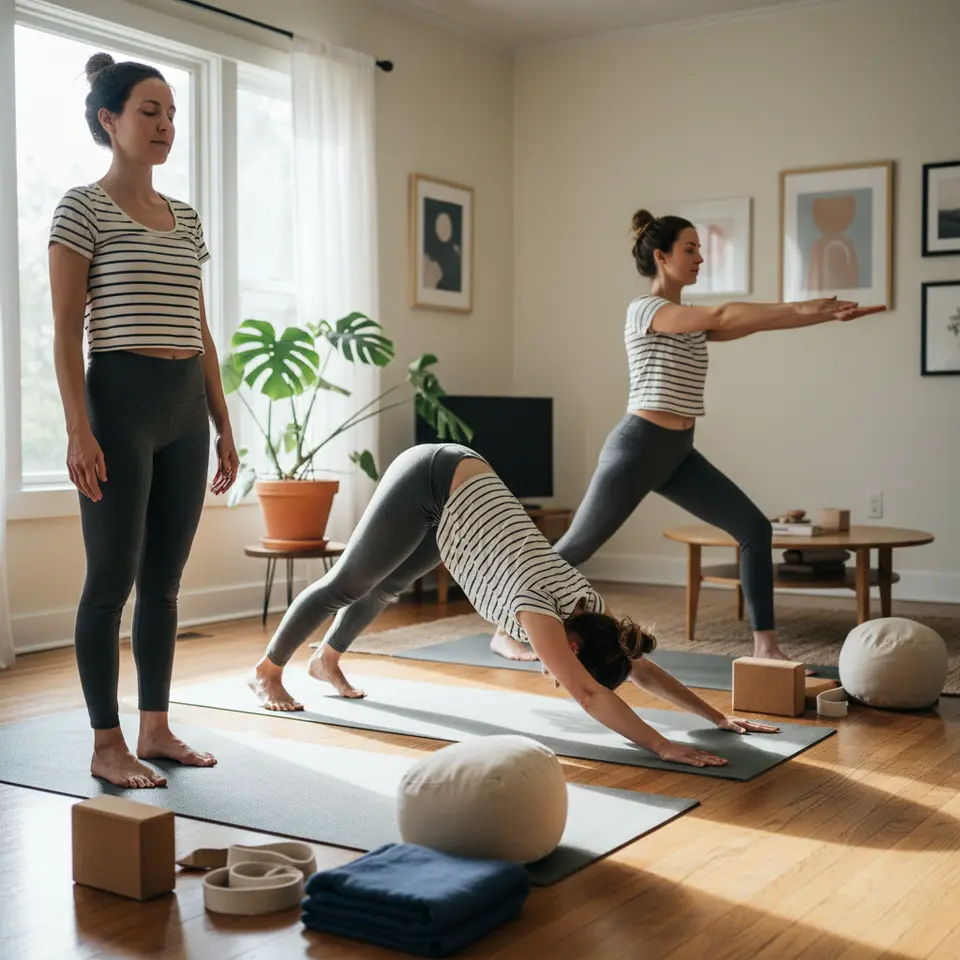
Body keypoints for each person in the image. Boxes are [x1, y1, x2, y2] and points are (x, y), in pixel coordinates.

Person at [489, 209, 886, 664]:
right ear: (661, 256)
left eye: (701, 249)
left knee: (753, 528)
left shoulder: (692, 324)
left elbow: (752, 321)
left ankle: (766, 648)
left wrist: (822, 315)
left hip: (678, 452)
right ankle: (504, 627)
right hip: (637, 448)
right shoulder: (646, 310)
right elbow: (720, 312)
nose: (700, 258)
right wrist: (805, 305)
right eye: (690, 249)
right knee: (577, 546)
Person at [249, 443, 779, 770]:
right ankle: (268, 670)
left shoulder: (592, 611)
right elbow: (589, 693)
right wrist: (662, 746)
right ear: (571, 646)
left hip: (466, 493)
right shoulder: (538, 610)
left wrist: (718, 716)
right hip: (432, 474)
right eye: (564, 665)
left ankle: (327, 660)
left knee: (387, 589)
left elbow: (638, 668)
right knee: (348, 584)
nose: (559, 674)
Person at [48, 54, 240, 789]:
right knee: (110, 582)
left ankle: (155, 729)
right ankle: (106, 742)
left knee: (164, 584)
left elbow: (201, 328)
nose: (164, 126)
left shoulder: (186, 219)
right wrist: (77, 428)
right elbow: (66, 332)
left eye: (170, 114)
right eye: (148, 112)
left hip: (185, 408)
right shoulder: (82, 208)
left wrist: (222, 422)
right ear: (110, 121)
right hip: (118, 407)